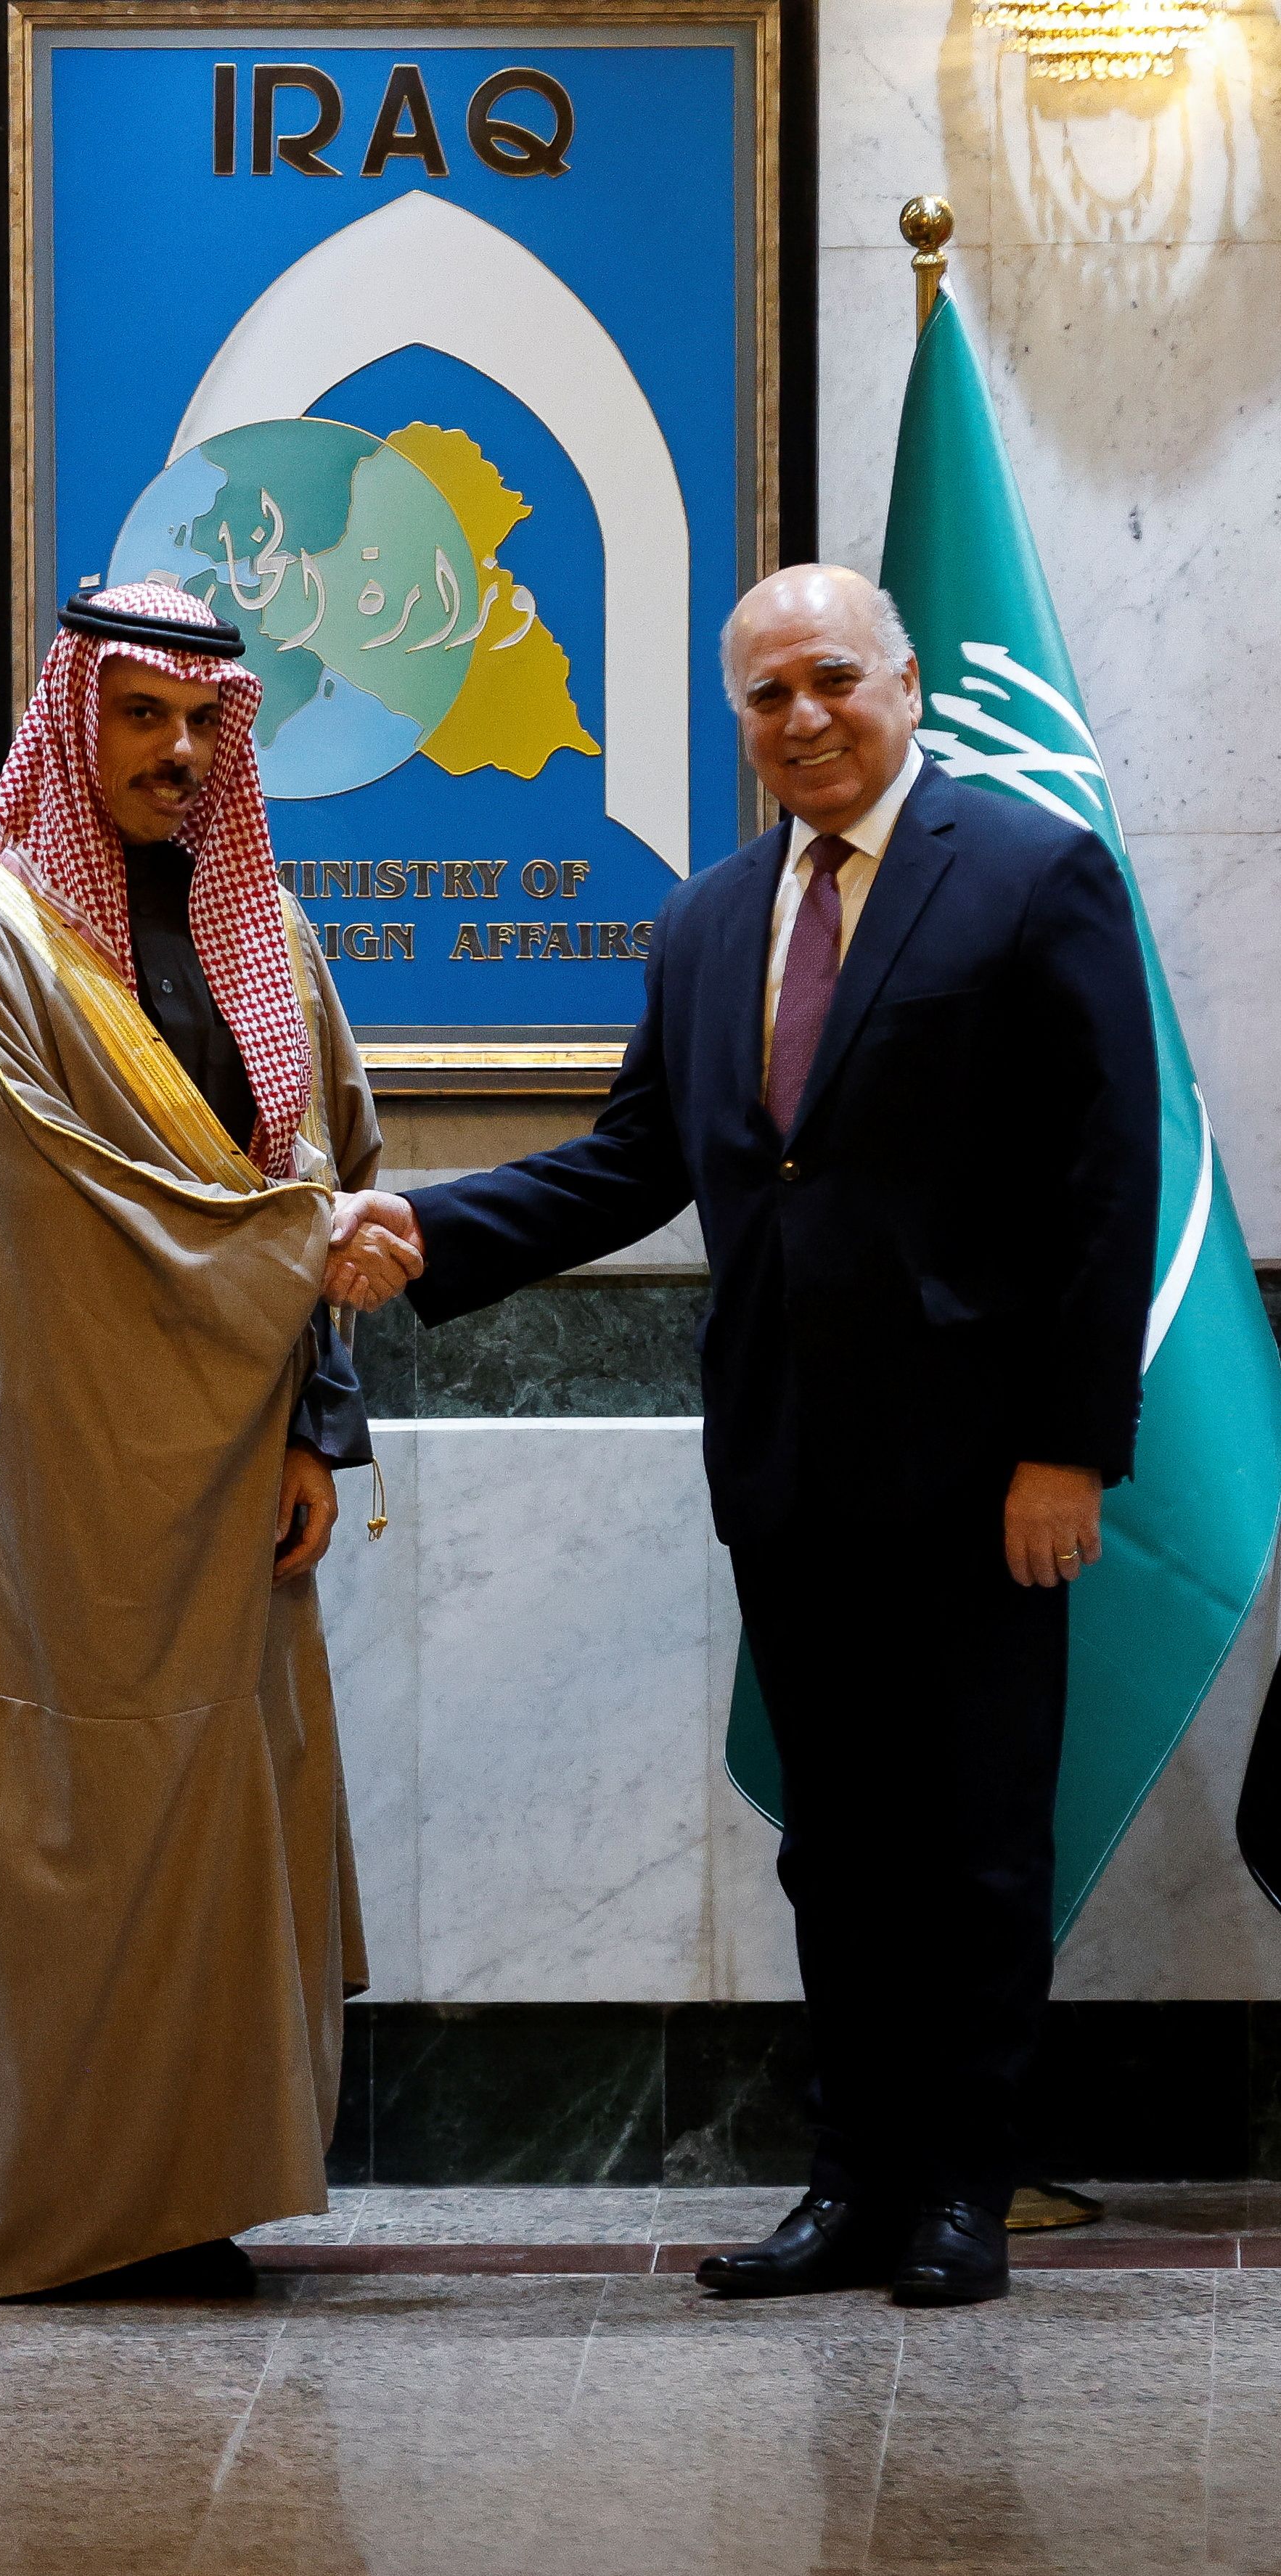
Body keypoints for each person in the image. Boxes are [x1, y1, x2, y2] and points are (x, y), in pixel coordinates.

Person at [331, 565, 1160, 2308]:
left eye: (831, 680)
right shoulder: (710, 919)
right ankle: (849, 2182)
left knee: (977, 1840)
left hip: (985, 1471)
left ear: (903, 682)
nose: (801, 718)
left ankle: (961, 2192)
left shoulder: (1028, 873)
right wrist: (432, 1229)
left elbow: (1102, 1186)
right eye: (766, 696)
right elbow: (637, 1158)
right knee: (835, 1840)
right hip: (786, 1461)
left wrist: (1068, 1447)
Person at [0, 581, 415, 2304]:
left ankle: (176, 2194)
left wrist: (314, 1418)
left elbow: (318, 1170)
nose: (173, 751)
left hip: (229, 1491)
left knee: (215, 1827)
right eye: (139, 715)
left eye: (201, 721)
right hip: (33, 1494)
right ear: (72, 721)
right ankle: (37, 2201)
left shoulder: (270, 937)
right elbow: (43, 1209)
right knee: (44, 1819)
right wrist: (297, 1250)